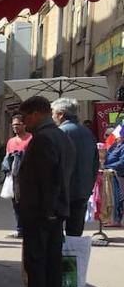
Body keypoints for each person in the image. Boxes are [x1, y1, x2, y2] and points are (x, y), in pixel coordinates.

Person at [7, 96, 75, 287]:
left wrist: (46, 210)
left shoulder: (43, 139)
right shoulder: (61, 136)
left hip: (42, 212)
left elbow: (48, 180)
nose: (24, 123)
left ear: (37, 113)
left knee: (37, 263)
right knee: (51, 262)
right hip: (55, 211)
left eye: (25, 117)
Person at [52, 98, 100, 236]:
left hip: (62, 192)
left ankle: (58, 257)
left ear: (61, 114)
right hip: (82, 192)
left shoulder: (60, 132)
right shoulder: (88, 133)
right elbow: (95, 163)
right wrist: (88, 186)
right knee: (75, 234)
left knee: (54, 233)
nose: (52, 116)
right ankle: (72, 258)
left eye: (53, 113)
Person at [4, 114, 33, 238]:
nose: (15, 127)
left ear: (24, 124)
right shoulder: (11, 141)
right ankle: (19, 228)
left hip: (28, 177)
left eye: (18, 124)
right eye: (13, 125)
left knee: (28, 203)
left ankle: (29, 228)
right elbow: (6, 157)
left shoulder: (31, 139)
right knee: (16, 203)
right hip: (14, 177)